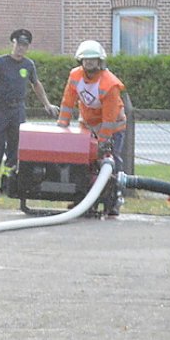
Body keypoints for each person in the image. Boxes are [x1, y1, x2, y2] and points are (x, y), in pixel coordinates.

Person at [0, 29, 57, 195]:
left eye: (24, 45)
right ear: (12, 43)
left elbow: (36, 85)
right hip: (0, 110)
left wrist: (47, 104)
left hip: (17, 111)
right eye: (18, 44)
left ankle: (8, 186)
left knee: (14, 151)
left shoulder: (28, 65)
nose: (21, 48)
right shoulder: (0, 62)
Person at [56, 40, 127, 218]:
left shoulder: (110, 84)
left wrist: (104, 142)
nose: (88, 63)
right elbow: (67, 103)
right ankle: (83, 201)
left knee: (109, 165)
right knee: (83, 164)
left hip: (112, 129)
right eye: (85, 59)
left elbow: (109, 119)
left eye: (92, 59)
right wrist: (61, 129)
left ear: (99, 61)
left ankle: (113, 201)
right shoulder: (75, 76)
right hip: (87, 126)